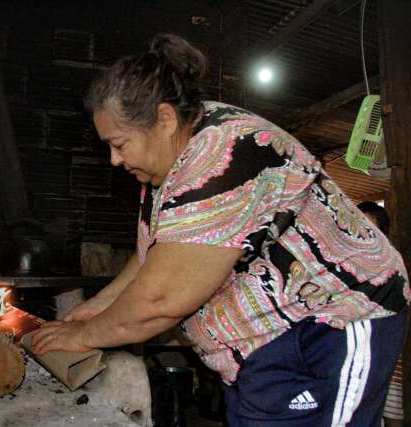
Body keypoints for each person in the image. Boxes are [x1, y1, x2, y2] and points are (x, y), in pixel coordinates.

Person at [31, 34, 409, 426]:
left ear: (163, 119)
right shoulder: (169, 161)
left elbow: (160, 300)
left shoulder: (223, 156)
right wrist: (99, 305)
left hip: (328, 324)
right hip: (263, 338)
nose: (113, 159)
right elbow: (155, 258)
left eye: (119, 144)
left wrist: (82, 336)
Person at [357, 201, 404, 427]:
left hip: (386, 354)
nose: (361, 237)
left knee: (392, 412)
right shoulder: (344, 266)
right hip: (357, 357)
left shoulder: (392, 265)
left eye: (369, 231)